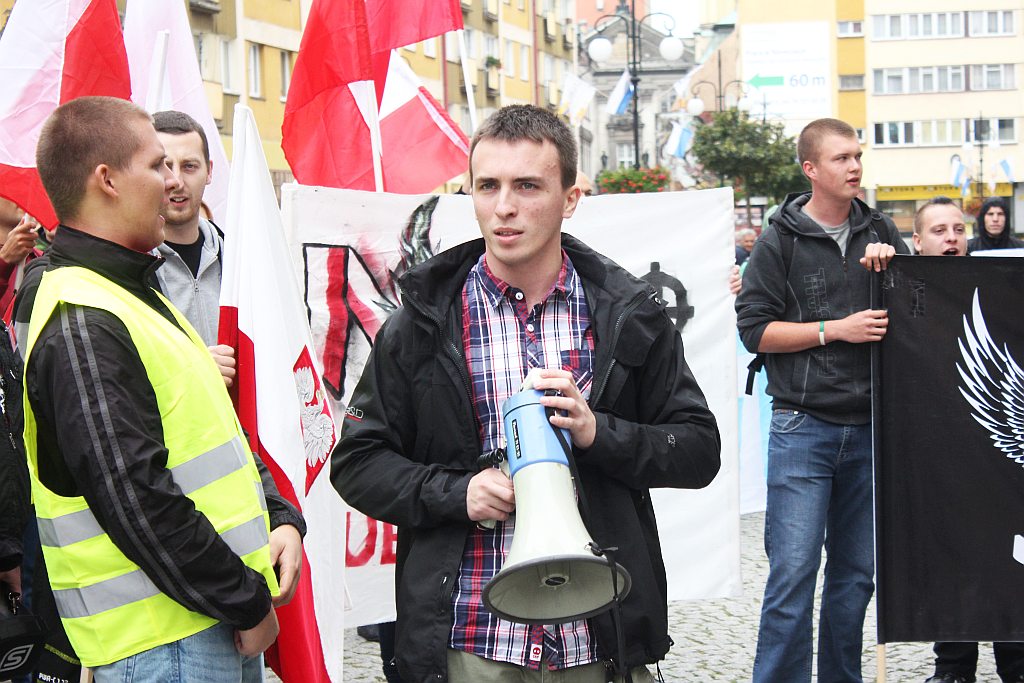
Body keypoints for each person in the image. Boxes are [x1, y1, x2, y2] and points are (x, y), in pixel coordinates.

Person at [332, 104, 721, 682]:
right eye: (487, 186)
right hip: (472, 639)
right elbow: (358, 463)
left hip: (597, 636)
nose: (504, 207)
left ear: (570, 199)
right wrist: (457, 491)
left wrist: (597, 432)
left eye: (528, 186)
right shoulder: (420, 323)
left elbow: (696, 449)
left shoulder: (628, 314)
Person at [23, 96, 280, 681]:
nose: (172, 183)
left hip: (199, 625)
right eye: (157, 164)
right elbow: (137, 496)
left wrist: (278, 515)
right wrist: (246, 599)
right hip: (166, 642)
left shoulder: (130, 291)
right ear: (107, 180)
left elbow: (212, 437)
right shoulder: (85, 315)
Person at [736, 117, 909, 682]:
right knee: (792, 575)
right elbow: (755, 332)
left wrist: (893, 274)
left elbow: (913, 317)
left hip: (870, 428)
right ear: (811, 169)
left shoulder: (881, 229)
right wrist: (835, 329)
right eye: (840, 158)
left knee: (857, 577)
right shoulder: (778, 238)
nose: (854, 166)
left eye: (857, 155)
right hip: (801, 426)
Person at [906, 197, 1024, 683]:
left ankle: (1016, 662)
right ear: (917, 241)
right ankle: (952, 667)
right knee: (949, 557)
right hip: (935, 454)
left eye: (958, 228)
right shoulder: (897, 288)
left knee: (1005, 557)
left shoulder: (995, 290)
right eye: (939, 230)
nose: (951, 237)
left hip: (995, 456)